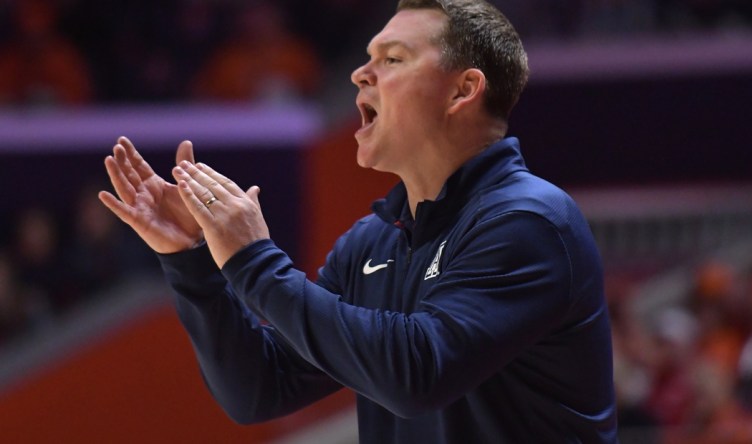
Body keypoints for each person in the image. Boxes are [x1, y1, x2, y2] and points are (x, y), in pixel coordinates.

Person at [98, 0, 618, 442]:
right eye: (367, 58)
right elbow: (259, 389)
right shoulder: (372, 242)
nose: (359, 73)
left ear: (463, 91)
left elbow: (418, 374)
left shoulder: (530, 222)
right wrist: (193, 264)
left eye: (393, 59)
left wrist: (254, 260)